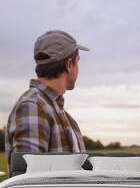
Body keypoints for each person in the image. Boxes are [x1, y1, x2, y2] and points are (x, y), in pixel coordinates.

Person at [5, 30, 89, 169]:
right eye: (77, 61)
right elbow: (28, 181)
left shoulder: (52, 108)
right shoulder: (33, 107)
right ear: (69, 64)